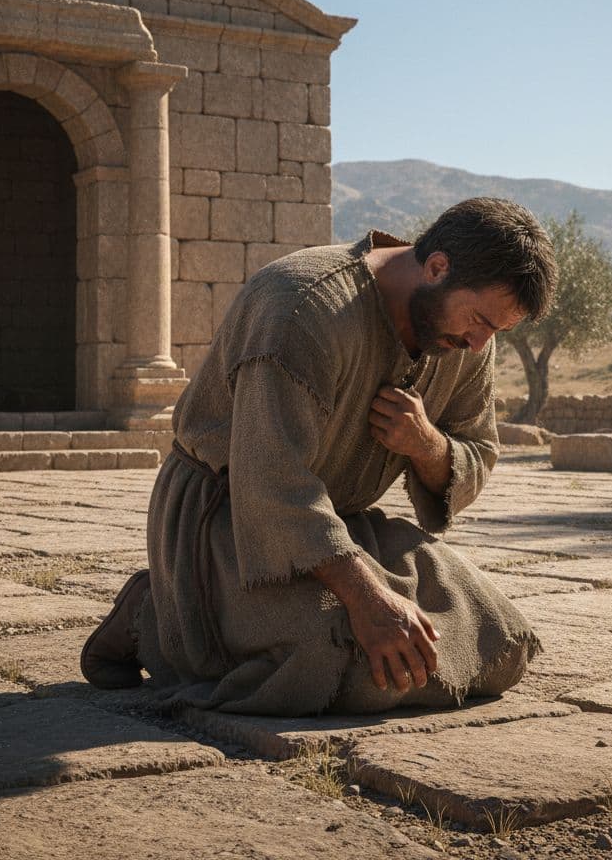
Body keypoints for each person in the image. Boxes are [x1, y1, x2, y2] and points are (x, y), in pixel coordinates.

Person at [81, 197, 557, 715]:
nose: (478, 343)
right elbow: (269, 479)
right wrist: (367, 599)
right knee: (352, 667)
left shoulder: (466, 340)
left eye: (497, 332)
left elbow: (478, 450)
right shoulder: (300, 307)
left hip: (345, 527)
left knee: (500, 641)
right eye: (480, 320)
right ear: (437, 267)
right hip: (229, 522)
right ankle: (156, 613)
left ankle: (231, 617)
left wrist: (425, 443)